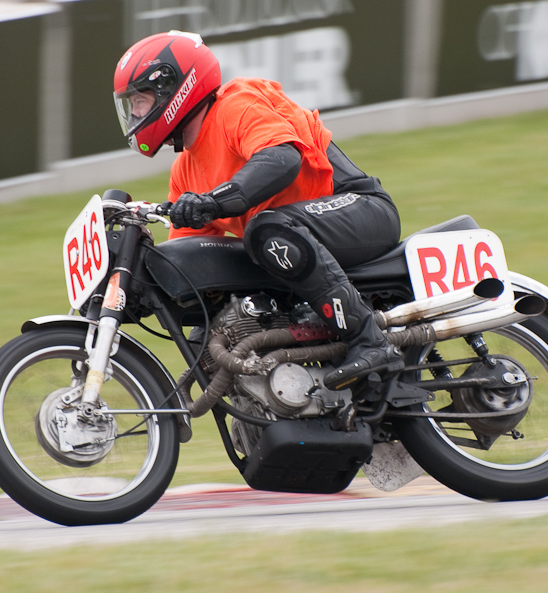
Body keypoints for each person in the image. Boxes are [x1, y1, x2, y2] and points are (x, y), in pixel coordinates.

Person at [112, 30, 403, 391]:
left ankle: (369, 339)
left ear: (175, 88)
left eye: (140, 100)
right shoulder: (184, 171)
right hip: (294, 242)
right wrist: (135, 287)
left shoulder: (235, 104)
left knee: (266, 230)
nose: (136, 113)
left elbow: (281, 158)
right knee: (207, 332)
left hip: (361, 208)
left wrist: (213, 201)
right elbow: (190, 262)